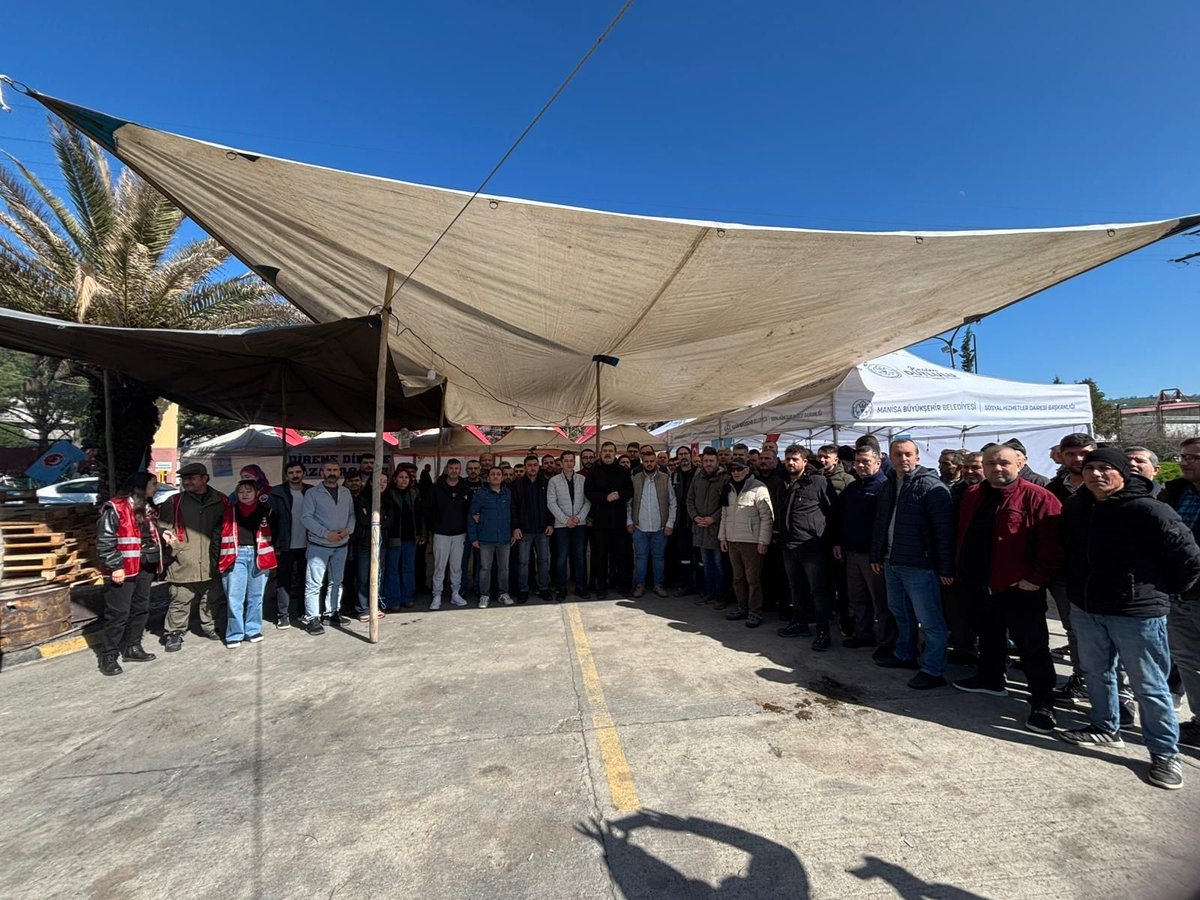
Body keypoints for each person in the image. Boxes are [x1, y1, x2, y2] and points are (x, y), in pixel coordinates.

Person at [1058, 448, 1200, 790]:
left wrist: (1160, 591)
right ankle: (1105, 727)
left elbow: (1189, 559)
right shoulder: (1077, 506)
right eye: (1090, 468)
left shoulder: (1150, 509)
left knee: (1149, 685)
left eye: (1105, 468)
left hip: (1137, 613)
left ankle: (1164, 753)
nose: (1096, 474)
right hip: (1087, 607)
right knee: (1096, 672)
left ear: (1123, 473)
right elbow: (1069, 551)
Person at [951, 445, 1062, 733]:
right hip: (980, 583)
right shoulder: (973, 494)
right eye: (991, 463)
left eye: (1004, 463)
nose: (997, 468)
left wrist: (1035, 579)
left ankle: (1043, 702)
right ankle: (990, 680)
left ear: (1020, 463)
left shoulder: (1039, 497)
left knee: (1032, 646)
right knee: (989, 636)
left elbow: (1052, 545)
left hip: (1020, 587)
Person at [870, 440, 955, 690]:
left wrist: (946, 568)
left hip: (920, 565)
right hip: (891, 560)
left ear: (917, 457)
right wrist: (877, 554)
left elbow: (944, 531)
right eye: (898, 454)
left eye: (908, 454)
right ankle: (905, 653)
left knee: (929, 620)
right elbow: (880, 522)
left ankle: (932, 669)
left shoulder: (931, 486)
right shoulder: (889, 484)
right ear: (890, 457)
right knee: (900, 612)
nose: (903, 459)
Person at [95, 472, 164, 675]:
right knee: (118, 614)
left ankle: (133, 647)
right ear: (140, 487)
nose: (157, 488)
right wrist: (115, 566)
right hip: (123, 569)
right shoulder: (116, 508)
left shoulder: (148, 508)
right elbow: (105, 541)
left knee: (140, 609)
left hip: (145, 567)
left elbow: (147, 534)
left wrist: (163, 535)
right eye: (153, 484)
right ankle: (108, 655)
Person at [1046, 432, 1096, 701]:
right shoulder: (1054, 488)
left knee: (1108, 634)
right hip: (1063, 573)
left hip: (1101, 573)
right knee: (1074, 629)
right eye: (1071, 454)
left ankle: (1118, 693)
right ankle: (1081, 680)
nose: (1078, 459)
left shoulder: (1108, 484)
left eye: (1084, 453)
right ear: (1061, 456)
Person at [833, 445, 896, 658]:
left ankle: (887, 642)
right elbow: (842, 517)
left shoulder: (884, 487)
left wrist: (877, 553)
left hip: (873, 556)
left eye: (865, 461)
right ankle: (863, 634)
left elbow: (884, 524)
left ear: (878, 463)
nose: (860, 465)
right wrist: (839, 542)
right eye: (858, 461)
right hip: (852, 553)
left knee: (880, 601)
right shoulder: (853, 487)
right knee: (857, 597)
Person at [161, 462, 230, 653]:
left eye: (191, 478)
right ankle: (174, 632)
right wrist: (168, 539)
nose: (187, 482)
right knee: (180, 599)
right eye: (184, 479)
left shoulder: (221, 500)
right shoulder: (174, 502)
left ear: (205, 478)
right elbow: (163, 527)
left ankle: (210, 626)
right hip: (183, 561)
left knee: (212, 598)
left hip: (211, 560)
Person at [774, 445, 839, 647]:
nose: (790, 463)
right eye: (788, 459)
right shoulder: (783, 483)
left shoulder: (818, 482)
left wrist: (834, 541)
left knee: (818, 591)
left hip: (813, 547)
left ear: (804, 461)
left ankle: (823, 631)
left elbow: (833, 512)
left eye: (795, 459)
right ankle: (800, 623)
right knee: (796, 588)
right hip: (789, 546)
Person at [1161, 436, 1200, 749]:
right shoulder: (1175, 491)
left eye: (1194, 457)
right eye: (1184, 457)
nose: (1186, 462)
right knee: (1188, 661)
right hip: (1176, 591)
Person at [299, 460, 355, 633]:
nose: (332, 473)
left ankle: (331, 613)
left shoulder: (345, 492)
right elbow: (306, 518)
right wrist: (326, 533)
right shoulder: (312, 493)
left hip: (341, 544)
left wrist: (348, 530)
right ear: (322, 472)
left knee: (336, 581)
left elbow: (351, 514)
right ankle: (313, 618)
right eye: (328, 470)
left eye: (335, 470)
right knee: (314, 584)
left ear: (339, 472)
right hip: (319, 545)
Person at [223, 479, 279, 647]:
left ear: (256, 493)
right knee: (234, 596)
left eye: (249, 491)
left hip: (259, 554)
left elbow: (275, 531)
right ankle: (235, 633)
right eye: (241, 492)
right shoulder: (229, 511)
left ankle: (253, 629)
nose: (245, 494)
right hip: (236, 555)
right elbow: (219, 534)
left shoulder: (266, 511)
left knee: (256, 595)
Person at [718, 457, 774, 626]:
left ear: (747, 470)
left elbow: (767, 517)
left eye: (739, 469)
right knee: (737, 578)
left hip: (751, 541)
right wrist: (722, 537)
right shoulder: (728, 488)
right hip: (732, 540)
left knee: (753, 579)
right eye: (733, 470)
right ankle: (742, 607)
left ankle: (755, 611)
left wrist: (763, 541)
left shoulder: (759, 488)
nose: (736, 473)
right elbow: (724, 515)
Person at [585, 442, 634, 599]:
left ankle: (622, 585)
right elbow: (588, 492)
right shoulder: (593, 472)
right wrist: (605, 497)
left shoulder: (623, 471)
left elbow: (630, 491)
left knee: (621, 555)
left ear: (615, 453)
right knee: (600, 555)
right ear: (600, 453)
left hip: (619, 520)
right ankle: (601, 587)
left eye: (610, 451)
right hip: (600, 521)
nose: (607, 453)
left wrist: (619, 495)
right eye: (605, 451)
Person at [628, 446, 676, 598]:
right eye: (646, 461)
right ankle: (640, 585)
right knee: (640, 558)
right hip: (639, 527)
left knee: (658, 558)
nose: (649, 464)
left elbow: (672, 503)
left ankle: (658, 585)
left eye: (651, 461)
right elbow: (629, 503)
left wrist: (670, 524)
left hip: (660, 527)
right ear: (642, 462)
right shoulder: (635, 478)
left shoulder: (665, 478)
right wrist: (629, 521)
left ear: (656, 462)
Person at [424, 458, 471, 609]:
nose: (454, 471)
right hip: (441, 533)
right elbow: (428, 509)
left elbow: (469, 510)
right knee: (439, 566)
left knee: (456, 566)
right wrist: (434, 527)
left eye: (457, 468)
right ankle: (437, 595)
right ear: (447, 469)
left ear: (460, 470)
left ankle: (455, 593)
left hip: (459, 533)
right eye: (451, 468)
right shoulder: (436, 488)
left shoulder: (465, 488)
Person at [269, 461, 309, 629]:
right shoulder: (277, 492)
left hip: (307, 545)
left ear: (303, 473)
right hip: (284, 545)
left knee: (305, 580)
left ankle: (303, 612)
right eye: (291, 472)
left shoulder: (311, 491)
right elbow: (270, 520)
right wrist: (274, 543)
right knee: (283, 581)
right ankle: (283, 615)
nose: (295, 475)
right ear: (286, 475)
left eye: (298, 472)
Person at [468, 465, 515, 607]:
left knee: (504, 568)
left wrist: (513, 531)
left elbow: (513, 514)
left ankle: (503, 593)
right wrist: (473, 537)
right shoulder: (480, 494)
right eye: (493, 474)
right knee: (485, 568)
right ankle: (484, 595)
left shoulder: (508, 493)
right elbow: (472, 515)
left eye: (498, 474)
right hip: (485, 539)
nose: (495, 476)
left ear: (502, 477)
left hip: (504, 538)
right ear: (488, 478)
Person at [687, 447, 729, 607]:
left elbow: (726, 504)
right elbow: (689, 500)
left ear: (717, 461)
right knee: (706, 564)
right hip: (700, 528)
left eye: (711, 461)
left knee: (719, 565)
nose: (708, 464)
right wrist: (695, 516)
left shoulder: (725, 479)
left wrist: (713, 518)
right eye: (706, 461)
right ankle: (709, 593)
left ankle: (721, 596)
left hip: (716, 529)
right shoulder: (697, 478)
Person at [547, 449, 591, 600]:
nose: (569, 463)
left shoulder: (582, 479)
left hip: (580, 524)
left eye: (571, 460)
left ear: (574, 462)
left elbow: (587, 501)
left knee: (580, 556)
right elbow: (551, 503)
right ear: (561, 462)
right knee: (561, 557)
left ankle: (581, 587)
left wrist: (579, 518)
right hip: (561, 525)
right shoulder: (554, 481)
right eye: (566, 461)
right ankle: (561, 588)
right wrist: (565, 520)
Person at [510, 455, 553, 602]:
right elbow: (513, 507)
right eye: (529, 465)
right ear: (525, 467)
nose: (532, 468)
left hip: (542, 529)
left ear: (538, 466)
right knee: (523, 562)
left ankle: (544, 589)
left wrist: (550, 523)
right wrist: (515, 527)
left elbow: (551, 504)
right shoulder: (517, 484)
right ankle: (523, 590)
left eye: (535, 465)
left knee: (543, 560)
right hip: (524, 530)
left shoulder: (546, 483)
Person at [383, 467, 424, 609]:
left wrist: (421, 534)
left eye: (406, 477)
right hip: (394, 537)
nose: (404, 480)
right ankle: (393, 600)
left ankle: (407, 597)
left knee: (408, 568)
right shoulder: (388, 494)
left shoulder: (414, 493)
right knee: (392, 569)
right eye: (400, 477)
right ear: (395, 479)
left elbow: (420, 515)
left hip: (410, 538)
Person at [668, 446, 697, 596]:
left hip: (696, 520)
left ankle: (700, 585)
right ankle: (686, 584)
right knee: (684, 554)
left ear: (691, 455)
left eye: (686, 453)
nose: (683, 456)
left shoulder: (698, 473)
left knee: (699, 556)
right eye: (680, 454)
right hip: (680, 520)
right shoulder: (674, 475)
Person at [460, 459, 485, 597]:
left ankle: (478, 586)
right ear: (466, 470)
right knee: (462, 561)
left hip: (481, 529)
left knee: (480, 560)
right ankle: (462, 586)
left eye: (476, 468)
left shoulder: (485, 485)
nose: (473, 471)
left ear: (480, 470)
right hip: (462, 528)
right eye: (470, 468)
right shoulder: (460, 484)